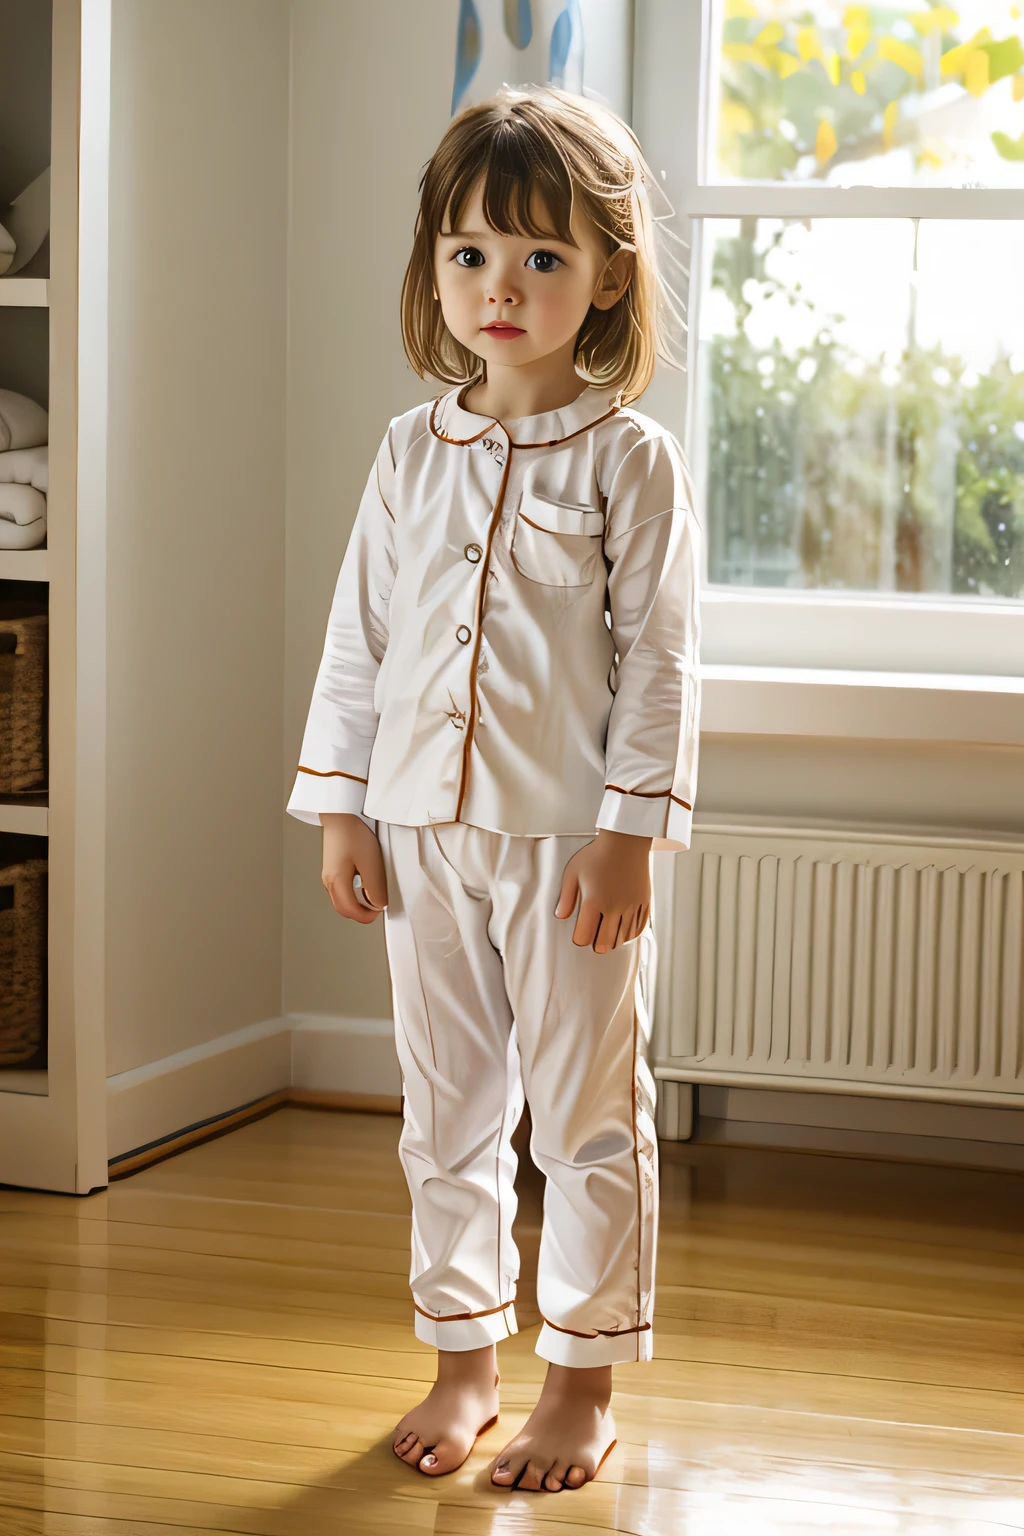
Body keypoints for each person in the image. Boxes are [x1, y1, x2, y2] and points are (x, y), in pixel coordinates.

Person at [287, 84, 701, 1494]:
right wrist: (344, 804)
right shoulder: (410, 453)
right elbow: (361, 640)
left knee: (587, 1115)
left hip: (566, 846)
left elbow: (660, 664)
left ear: (605, 277)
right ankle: (464, 1358)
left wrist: (630, 836)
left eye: (541, 258)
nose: (503, 286)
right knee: (445, 1110)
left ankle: (578, 1381)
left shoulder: (629, 461)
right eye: (472, 254)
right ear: (434, 269)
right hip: (419, 834)